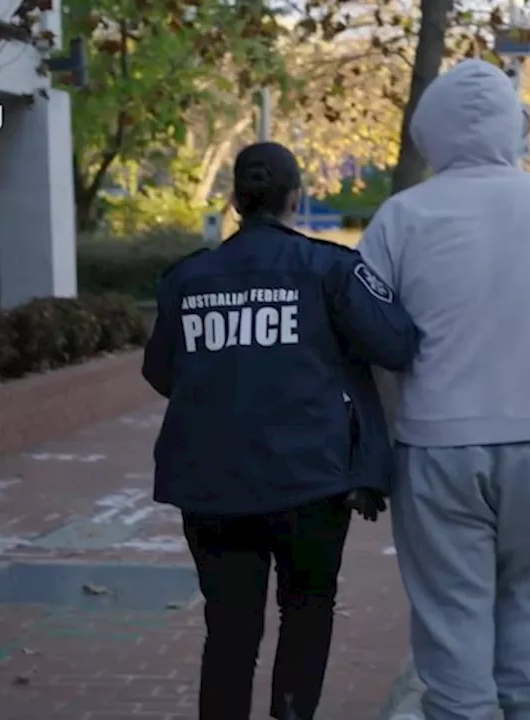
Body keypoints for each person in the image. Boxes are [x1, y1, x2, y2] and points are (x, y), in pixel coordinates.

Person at [141, 142, 421, 720]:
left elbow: (162, 373)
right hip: (310, 482)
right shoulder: (331, 269)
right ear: (297, 197)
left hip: (211, 484)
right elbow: (397, 343)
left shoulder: (187, 278)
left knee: (229, 630)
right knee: (307, 611)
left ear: (236, 201)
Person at [358, 59, 530, 720]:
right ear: (513, 126)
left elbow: (372, 339)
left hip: (437, 443)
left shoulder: (399, 218)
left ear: (427, 132)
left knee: (452, 613)